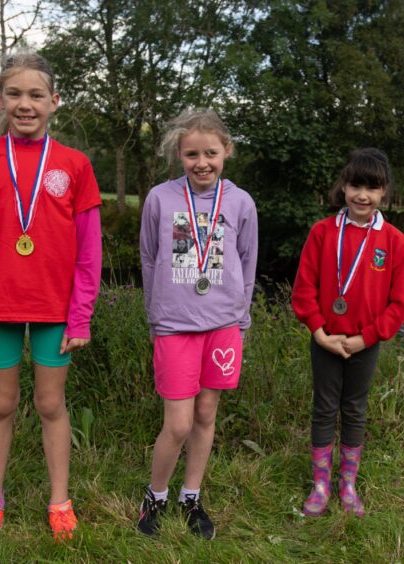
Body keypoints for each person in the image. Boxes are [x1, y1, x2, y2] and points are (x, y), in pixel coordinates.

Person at [0, 53, 102, 542]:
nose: (25, 104)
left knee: (51, 405)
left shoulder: (75, 164)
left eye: (36, 95)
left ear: (55, 102)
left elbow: (89, 251)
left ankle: (60, 503)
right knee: (3, 405)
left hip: (56, 309)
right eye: (14, 94)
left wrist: (81, 316)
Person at [138, 109, 258, 539]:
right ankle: (155, 494)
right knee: (179, 423)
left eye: (211, 152)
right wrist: (156, 316)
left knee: (206, 414)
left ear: (227, 150)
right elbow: (149, 258)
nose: (201, 162)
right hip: (175, 325)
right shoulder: (160, 198)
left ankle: (191, 495)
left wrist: (241, 317)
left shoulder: (241, 202)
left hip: (223, 324)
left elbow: (248, 260)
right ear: (179, 154)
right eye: (192, 154)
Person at [291, 148, 404, 518]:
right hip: (325, 340)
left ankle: (348, 485)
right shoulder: (322, 232)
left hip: (365, 342)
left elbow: (401, 301)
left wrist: (369, 337)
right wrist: (319, 331)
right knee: (324, 408)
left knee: (355, 410)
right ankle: (320, 485)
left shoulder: (394, 241)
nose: (362, 195)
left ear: (384, 193)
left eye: (372, 188)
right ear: (343, 187)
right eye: (356, 185)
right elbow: (304, 288)